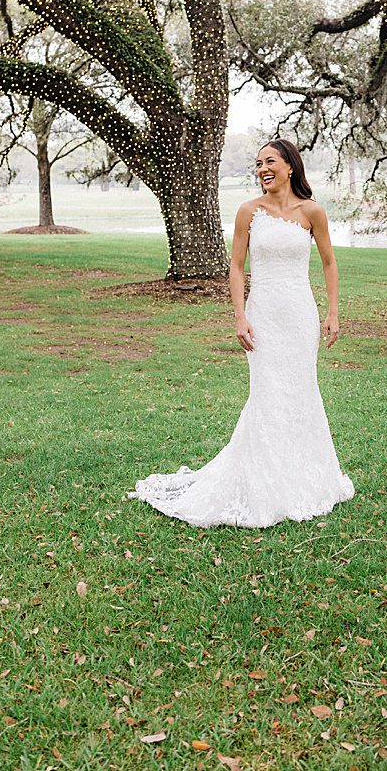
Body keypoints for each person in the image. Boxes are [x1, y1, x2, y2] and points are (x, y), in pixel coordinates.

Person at [130, 139, 353, 527]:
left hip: (299, 315)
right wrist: (239, 316)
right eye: (257, 163)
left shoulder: (312, 212)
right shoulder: (249, 212)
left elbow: (330, 263)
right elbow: (235, 266)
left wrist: (333, 312)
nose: (262, 169)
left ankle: (305, 479)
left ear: (290, 167)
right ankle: (261, 483)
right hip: (263, 312)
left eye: (270, 161)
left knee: (301, 391)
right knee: (266, 392)